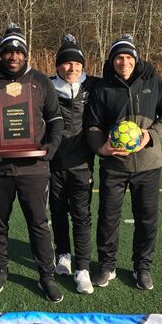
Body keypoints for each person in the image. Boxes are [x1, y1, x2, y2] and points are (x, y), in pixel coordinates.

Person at [0, 23, 64, 303]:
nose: (13, 56)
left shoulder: (41, 81)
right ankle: (0, 269)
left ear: (25, 54)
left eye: (18, 51)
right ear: (1, 54)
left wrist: (51, 147)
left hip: (33, 168)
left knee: (39, 223)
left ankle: (46, 275)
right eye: (8, 51)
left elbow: (56, 119)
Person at [86, 35, 162, 290]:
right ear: (112, 60)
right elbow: (92, 125)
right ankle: (107, 265)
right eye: (119, 57)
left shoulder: (154, 82)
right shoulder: (102, 88)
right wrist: (101, 148)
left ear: (135, 60)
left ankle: (142, 267)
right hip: (114, 166)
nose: (123, 62)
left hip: (148, 166)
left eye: (128, 57)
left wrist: (151, 135)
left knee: (147, 219)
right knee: (108, 218)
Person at [49, 35, 99, 294]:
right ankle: (63, 255)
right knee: (57, 213)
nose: (72, 68)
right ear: (57, 66)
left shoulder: (93, 86)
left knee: (81, 216)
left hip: (82, 165)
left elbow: (124, 81)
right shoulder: (45, 86)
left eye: (77, 64)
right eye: (67, 63)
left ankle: (83, 269)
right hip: (53, 165)